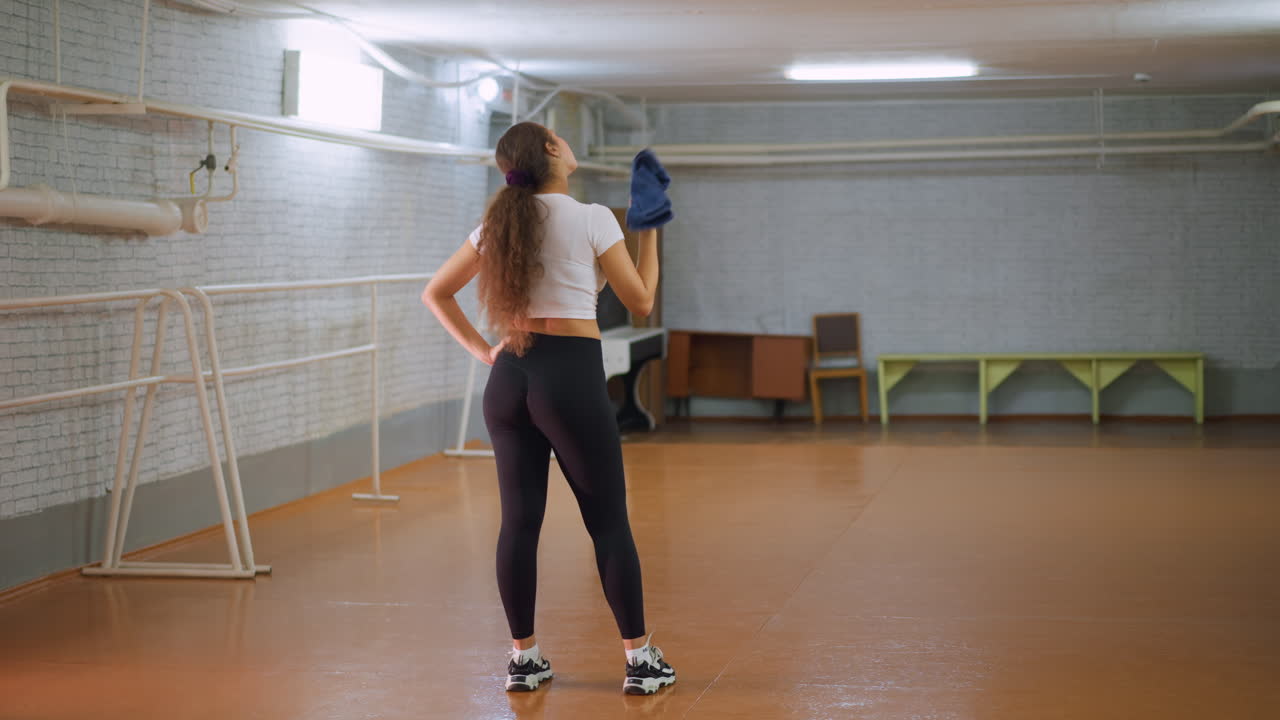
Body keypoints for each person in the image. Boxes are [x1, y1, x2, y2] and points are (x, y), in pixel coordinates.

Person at [422, 122, 676, 696]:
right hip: (570, 376)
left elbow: (435, 291)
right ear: (551, 154)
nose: (568, 141)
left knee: (519, 522)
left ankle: (524, 659)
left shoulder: (499, 223)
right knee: (608, 520)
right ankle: (641, 661)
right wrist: (650, 232)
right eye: (560, 136)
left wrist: (485, 352)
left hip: (510, 376)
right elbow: (640, 300)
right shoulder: (592, 217)